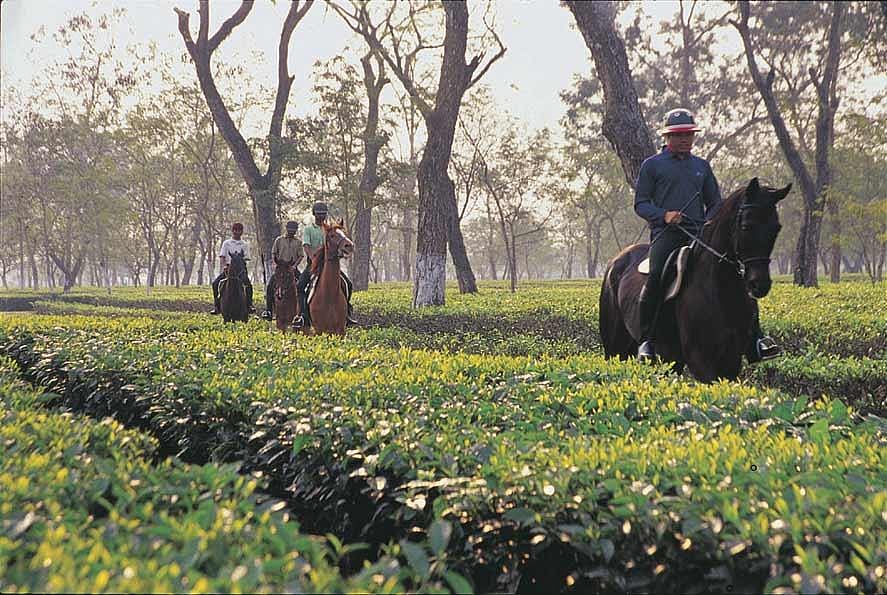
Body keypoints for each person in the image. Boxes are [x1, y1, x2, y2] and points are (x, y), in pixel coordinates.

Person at [634, 108, 779, 362]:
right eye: (678, 135)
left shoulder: (701, 166)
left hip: (699, 233)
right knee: (656, 276)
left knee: (738, 274)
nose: (684, 139)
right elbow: (641, 204)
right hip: (667, 235)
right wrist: (664, 215)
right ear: (667, 137)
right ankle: (646, 341)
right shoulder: (652, 166)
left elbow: (714, 203)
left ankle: (756, 340)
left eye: (688, 135)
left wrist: (710, 221)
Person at [296, 201, 356, 328]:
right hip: (314, 265)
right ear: (314, 214)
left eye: (323, 214)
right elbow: (306, 245)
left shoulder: (330, 229)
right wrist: (312, 257)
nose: (321, 216)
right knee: (300, 286)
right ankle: (303, 316)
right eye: (319, 214)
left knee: (348, 284)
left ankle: (347, 313)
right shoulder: (309, 229)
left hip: (329, 265)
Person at [261, 221, 303, 320]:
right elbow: (274, 253)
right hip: (280, 267)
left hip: (292, 267)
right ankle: (268, 311)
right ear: (286, 229)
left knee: (302, 286)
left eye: (294, 230)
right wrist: (276, 264)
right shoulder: (279, 240)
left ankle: (303, 312)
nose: (292, 231)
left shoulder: (298, 242)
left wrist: (294, 266)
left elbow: (301, 256)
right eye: (290, 229)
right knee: (270, 286)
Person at [210, 222, 254, 315]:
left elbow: (246, 258)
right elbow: (222, 256)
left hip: (240, 271)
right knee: (215, 284)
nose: (237, 232)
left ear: (242, 232)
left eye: (239, 230)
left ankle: (249, 305)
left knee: (248, 286)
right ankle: (217, 306)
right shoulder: (226, 243)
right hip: (229, 269)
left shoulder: (244, 244)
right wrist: (225, 266)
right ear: (232, 231)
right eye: (235, 230)